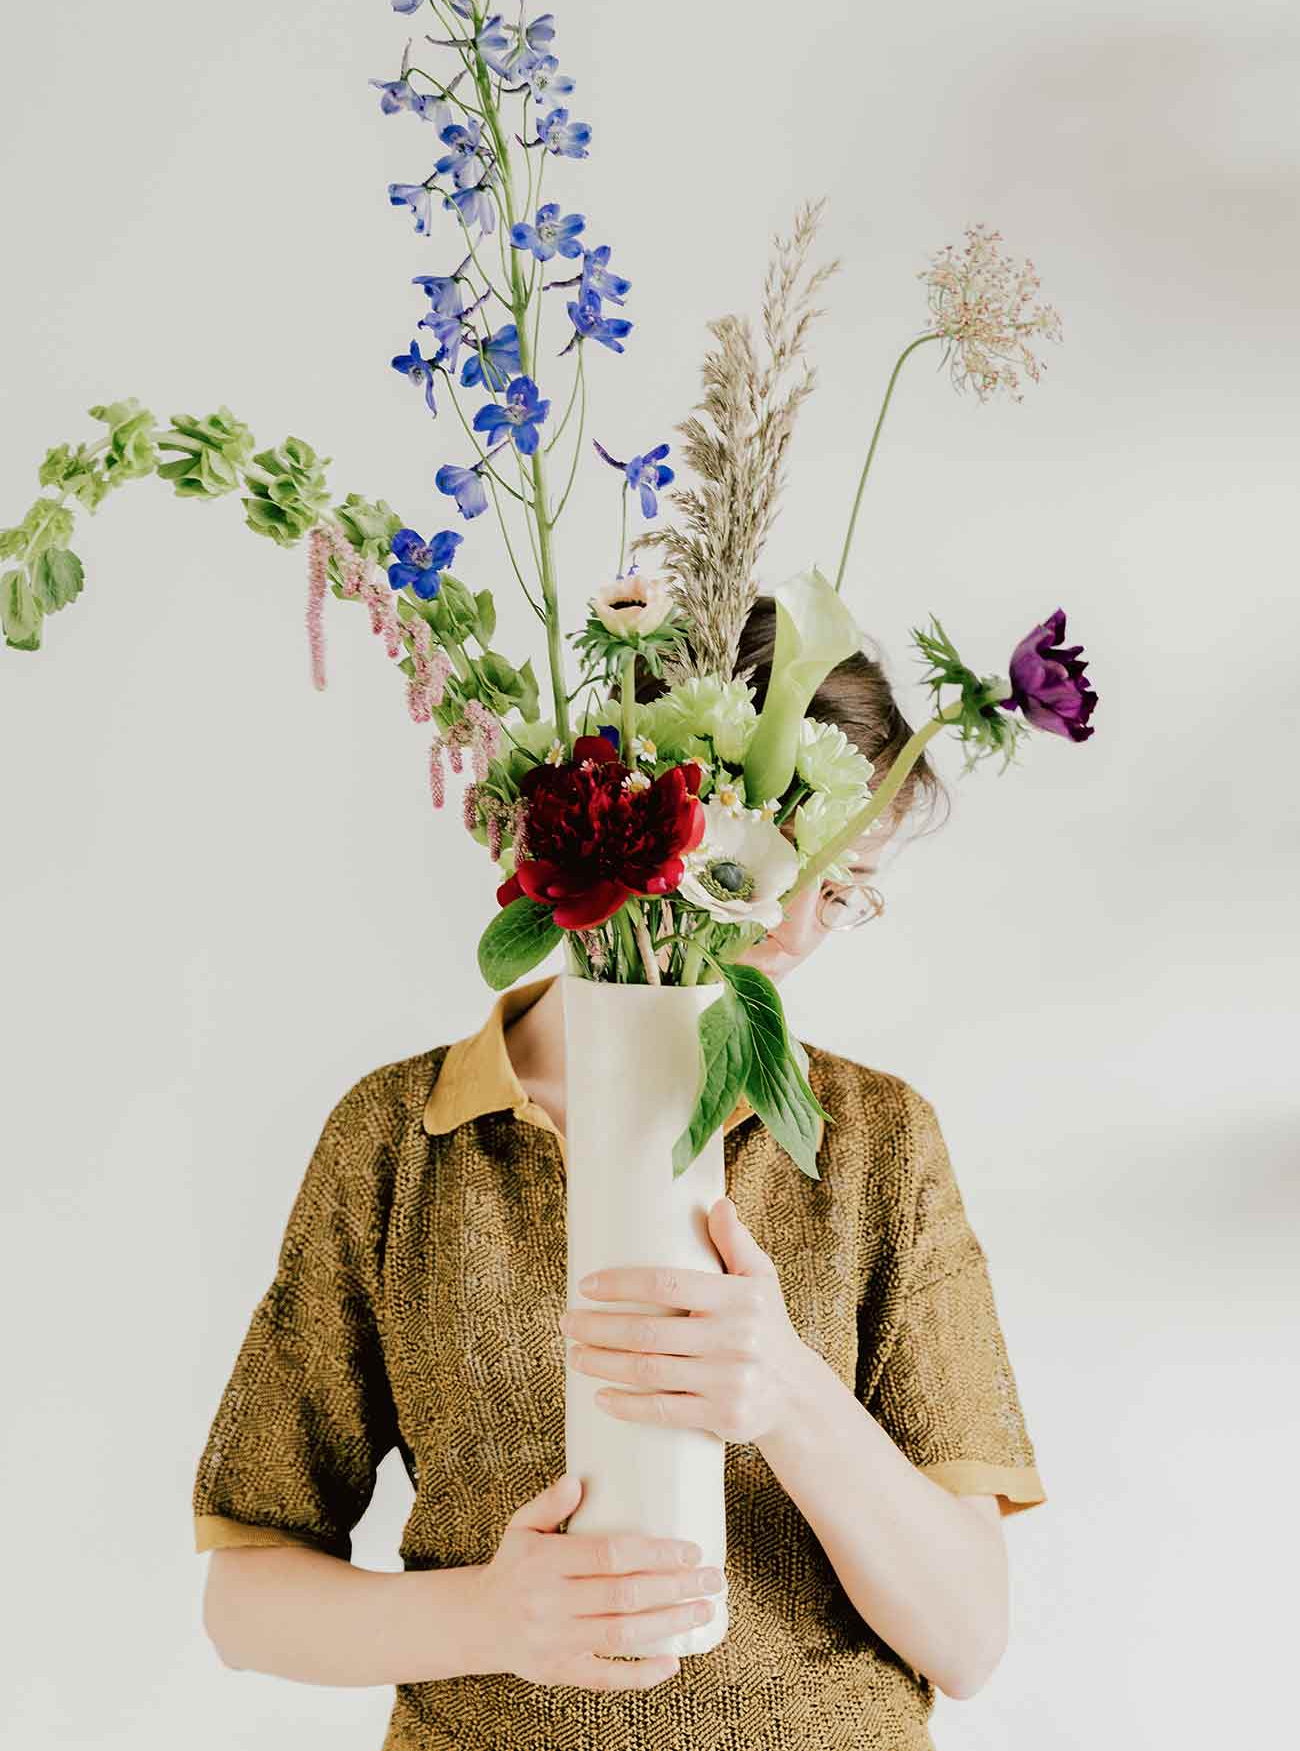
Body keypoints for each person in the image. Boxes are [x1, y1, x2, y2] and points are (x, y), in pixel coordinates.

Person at [192, 596, 1048, 1751]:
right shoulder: (403, 1137)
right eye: (787, 859)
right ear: (656, 817)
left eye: (843, 889)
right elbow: (244, 1601)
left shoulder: (875, 1143)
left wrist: (789, 1395)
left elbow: (970, 1639)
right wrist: (491, 1616)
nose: (799, 930)